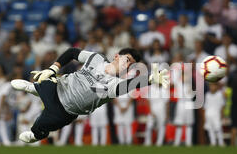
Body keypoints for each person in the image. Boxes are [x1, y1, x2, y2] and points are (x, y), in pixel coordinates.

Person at [10, 48, 170, 143]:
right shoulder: (97, 58)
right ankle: (34, 88)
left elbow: (127, 86)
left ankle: (36, 134)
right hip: (59, 88)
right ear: (117, 56)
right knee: (47, 80)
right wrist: (53, 68)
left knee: (39, 128)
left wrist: (149, 79)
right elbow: (72, 52)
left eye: (131, 64)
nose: (127, 65)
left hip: (65, 111)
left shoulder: (113, 84)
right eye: (127, 59)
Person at [203, 82, 226, 146]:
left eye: (213, 86)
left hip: (216, 114)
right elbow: (205, 107)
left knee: (218, 128)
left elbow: (222, 106)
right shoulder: (207, 95)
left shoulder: (219, 94)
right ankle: (213, 142)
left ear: (217, 86)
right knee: (210, 129)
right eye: (211, 86)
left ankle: (221, 142)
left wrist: (222, 115)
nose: (212, 87)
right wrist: (204, 116)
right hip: (208, 114)